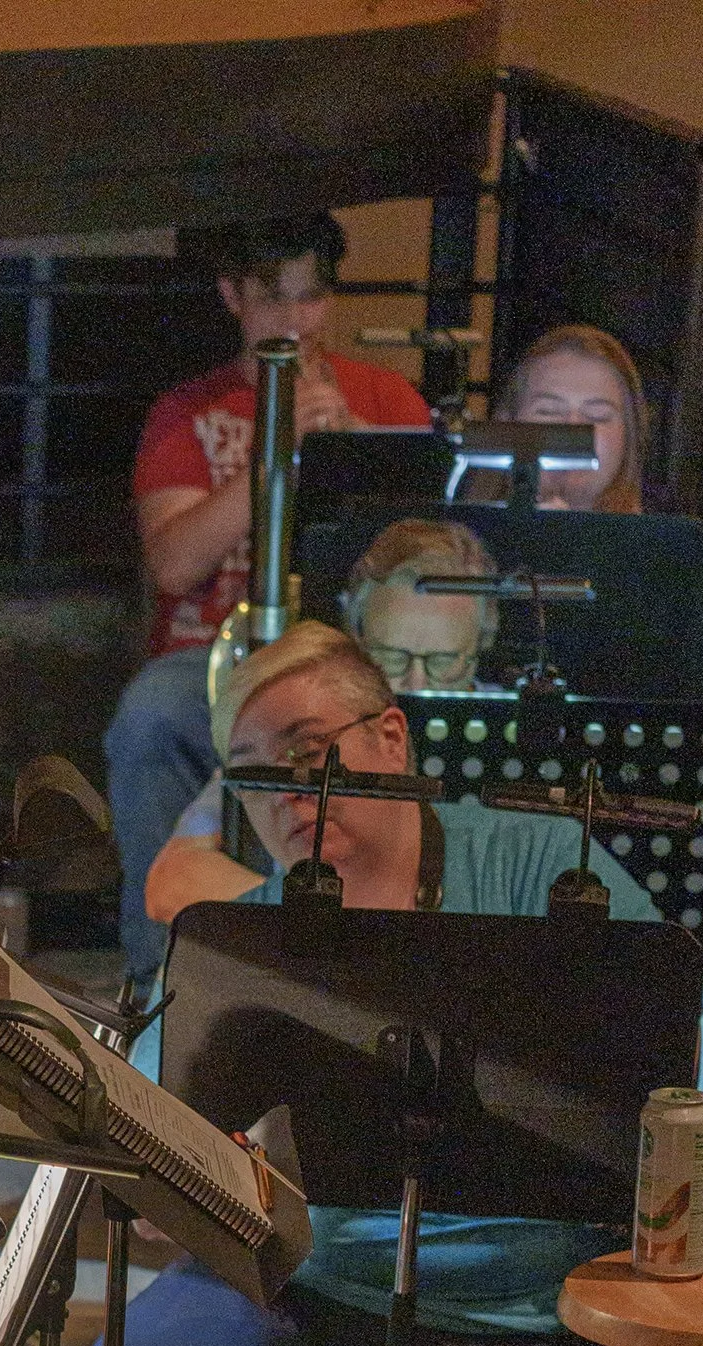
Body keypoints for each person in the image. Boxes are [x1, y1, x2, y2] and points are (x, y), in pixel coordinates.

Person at [115, 619, 684, 1346]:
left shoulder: (543, 864)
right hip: (324, 1299)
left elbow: (651, 1079)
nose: (291, 794)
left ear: (392, 736)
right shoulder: (252, 930)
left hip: (562, 1309)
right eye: (257, 774)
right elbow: (152, 1128)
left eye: (310, 752)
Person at [107, 213, 433, 980]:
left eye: (312, 299)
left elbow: (422, 557)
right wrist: (276, 453)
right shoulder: (185, 413)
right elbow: (174, 566)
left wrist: (349, 447)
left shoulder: (386, 401)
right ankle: (158, 974)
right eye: (273, 299)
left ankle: (372, 968)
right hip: (211, 663)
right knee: (149, 718)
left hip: (349, 660)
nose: (294, 321)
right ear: (232, 296)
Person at [144, 520, 503, 929]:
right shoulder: (301, 724)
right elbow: (170, 882)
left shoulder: (513, 744)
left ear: (480, 645)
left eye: (443, 662)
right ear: (359, 638)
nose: (416, 684)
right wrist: (321, 915)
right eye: (393, 658)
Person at [491, 324, 646, 514]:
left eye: (597, 415)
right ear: (509, 422)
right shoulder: (457, 536)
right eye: (548, 411)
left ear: (629, 435)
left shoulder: (667, 542)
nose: (573, 427)